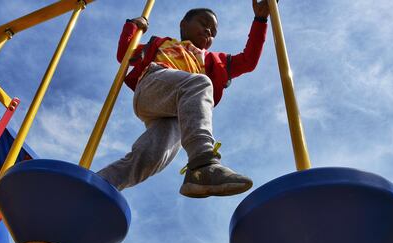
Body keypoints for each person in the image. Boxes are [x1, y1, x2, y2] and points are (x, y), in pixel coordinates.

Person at [96, 1, 271, 198]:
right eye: (203, 23)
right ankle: (203, 162)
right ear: (183, 25)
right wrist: (133, 26)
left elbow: (248, 60)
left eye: (213, 32)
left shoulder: (213, 61)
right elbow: (124, 54)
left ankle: (99, 184)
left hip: (178, 111)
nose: (208, 31)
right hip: (153, 86)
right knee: (200, 83)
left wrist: (260, 19)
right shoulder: (163, 43)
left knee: (153, 155)